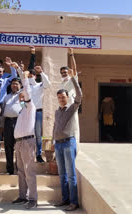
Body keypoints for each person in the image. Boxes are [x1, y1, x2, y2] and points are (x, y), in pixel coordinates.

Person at [53, 70, 82, 212]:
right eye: (59, 97)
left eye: (63, 97)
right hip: (58, 145)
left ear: (67, 97)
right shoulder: (57, 111)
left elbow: (79, 97)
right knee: (62, 173)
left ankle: (73, 202)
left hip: (69, 143)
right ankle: (64, 200)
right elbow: (55, 127)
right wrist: (53, 142)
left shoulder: (72, 109)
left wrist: (74, 79)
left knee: (71, 175)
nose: (61, 99)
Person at [11, 69, 38, 209]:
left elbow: (27, 91)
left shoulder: (30, 107)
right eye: (20, 98)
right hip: (19, 143)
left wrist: (24, 77)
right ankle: (23, 196)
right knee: (21, 171)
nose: (21, 99)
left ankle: (33, 199)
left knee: (29, 171)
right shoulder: (22, 111)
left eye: (23, 97)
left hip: (27, 142)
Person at [27, 46, 51, 163]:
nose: (30, 77)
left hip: (38, 113)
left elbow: (48, 84)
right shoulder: (25, 87)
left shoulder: (39, 85)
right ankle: (29, 154)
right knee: (28, 134)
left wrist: (42, 72)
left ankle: (38, 154)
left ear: (35, 76)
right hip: (28, 113)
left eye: (32, 75)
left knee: (38, 135)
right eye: (29, 76)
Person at [1, 76, 22, 175]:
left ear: (20, 85)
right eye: (13, 83)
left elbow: (25, 108)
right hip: (8, 123)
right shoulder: (6, 97)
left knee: (19, 146)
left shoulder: (22, 96)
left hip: (19, 122)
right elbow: (3, 110)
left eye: (16, 83)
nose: (14, 85)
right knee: (8, 146)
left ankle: (19, 168)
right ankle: (9, 169)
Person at [59, 48, 80, 145]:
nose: (64, 74)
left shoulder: (72, 79)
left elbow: (74, 68)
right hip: (63, 108)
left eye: (65, 72)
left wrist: (71, 55)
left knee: (73, 127)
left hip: (71, 106)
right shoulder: (62, 83)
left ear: (69, 72)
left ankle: (74, 146)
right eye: (62, 72)